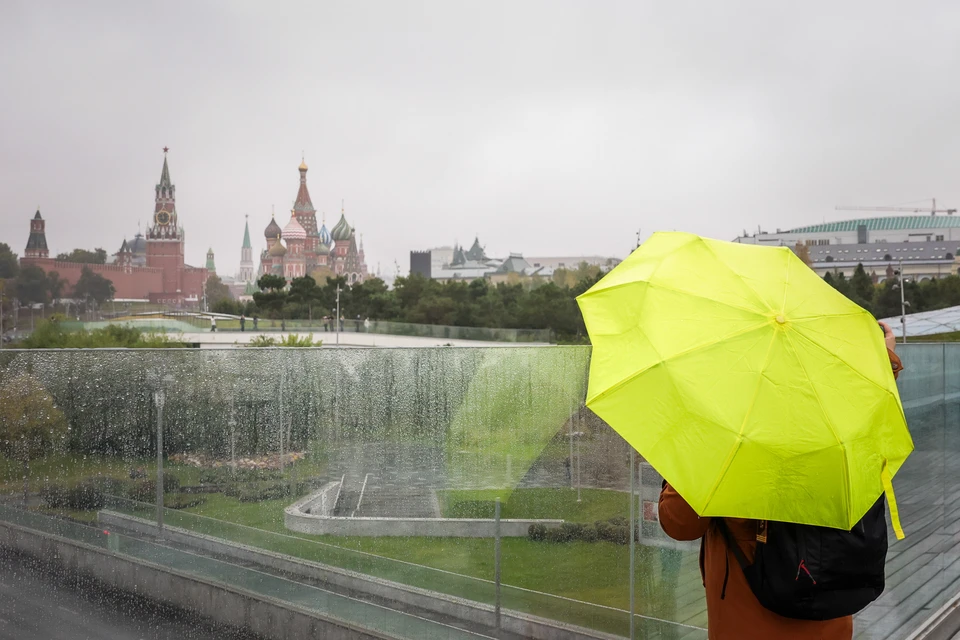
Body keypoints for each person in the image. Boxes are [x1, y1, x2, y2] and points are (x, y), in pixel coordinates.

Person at [658, 321, 902, 640]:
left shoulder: (732, 419)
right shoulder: (846, 403)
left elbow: (680, 522)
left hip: (750, 622)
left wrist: (684, 438)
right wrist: (877, 359)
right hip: (831, 618)